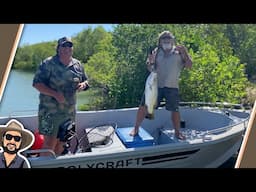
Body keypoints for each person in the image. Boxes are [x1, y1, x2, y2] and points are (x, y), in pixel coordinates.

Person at [32, 37, 90, 156]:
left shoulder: (77, 65)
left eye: (69, 46)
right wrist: (55, 94)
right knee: (49, 144)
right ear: (58, 48)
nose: (67, 48)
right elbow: (37, 84)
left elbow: (86, 81)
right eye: (64, 46)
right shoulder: (48, 63)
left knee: (63, 143)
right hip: (49, 112)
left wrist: (83, 85)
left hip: (69, 113)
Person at [130, 31, 192, 140]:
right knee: (143, 106)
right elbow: (150, 68)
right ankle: (136, 128)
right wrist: (150, 61)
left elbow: (189, 66)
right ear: (160, 41)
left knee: (175, 110)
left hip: (172, 86)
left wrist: (185, 53)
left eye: (168, 38)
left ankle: (177, 132)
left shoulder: (179, 52)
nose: (166, 40)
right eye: (163, 38)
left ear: (172, 40)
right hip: (155, 85)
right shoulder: (156, 51)